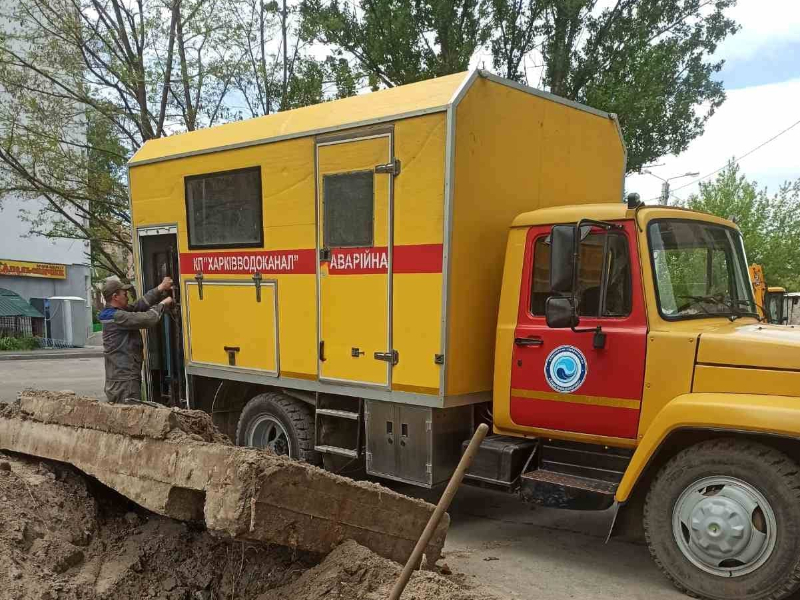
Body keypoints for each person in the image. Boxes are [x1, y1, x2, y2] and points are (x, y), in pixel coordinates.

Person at [98, 277, 174, 404]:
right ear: (115, 296)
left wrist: (160, 288)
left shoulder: (114, 313)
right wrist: (162, 304)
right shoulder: (118, 316)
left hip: (119, 379)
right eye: (124, 294)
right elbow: (147, 319)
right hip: (125, 381)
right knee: (129, 417)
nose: (127, 296)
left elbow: (139, 305)